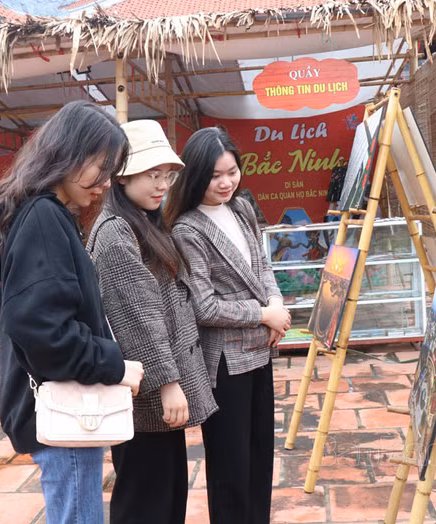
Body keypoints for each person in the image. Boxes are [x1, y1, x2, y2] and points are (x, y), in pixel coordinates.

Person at [0, 100, 144, 524]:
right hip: (66, 411)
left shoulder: (41, 213)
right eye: (102, 167)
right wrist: (114, 365)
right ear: (69, 154)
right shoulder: (44, 217)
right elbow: (44, 331)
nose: (106, 184)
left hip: (62, 406)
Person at [87, 120, 217, 524]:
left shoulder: (141, 221)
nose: (162, 185)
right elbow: (137, 318)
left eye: (167, 175)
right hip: (146, 395)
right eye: (151, 174)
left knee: (166, 496)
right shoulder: (116, 232)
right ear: (122, 175)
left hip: (152, 392)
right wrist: (168, 384)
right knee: (147, 501)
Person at [165, 127, 290, 524]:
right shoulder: (187, 229)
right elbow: (204, 307)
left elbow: (262, 265)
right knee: (230, 466)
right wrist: (263, 314)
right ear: (195, 175)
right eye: (214, 175)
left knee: (260, 455)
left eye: (231, 172)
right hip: (224, 363)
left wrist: (276, 302)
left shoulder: (242, 208)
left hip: (260, 352)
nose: (225, 182)